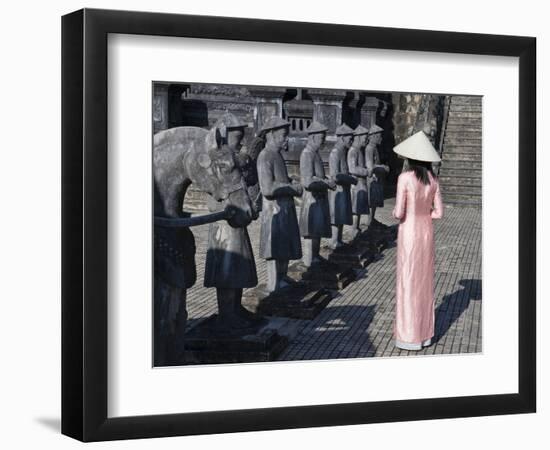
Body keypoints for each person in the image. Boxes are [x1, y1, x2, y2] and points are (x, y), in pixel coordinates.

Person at [203, 113, 259, 329]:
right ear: (225, 136)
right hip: (224, 225)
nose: (241, 141)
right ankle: (226, 313)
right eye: (237, 137)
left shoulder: (235, 159)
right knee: (227, 269)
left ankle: (236, 308)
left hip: (237, 221)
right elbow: (212, 193)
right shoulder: (216, 159)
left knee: (239, 267)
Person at [392, 131, 444, 351]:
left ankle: (408, 337)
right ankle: (424, 336)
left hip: (409, 233)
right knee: (423, 282)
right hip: (426, 232)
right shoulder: (433, 181)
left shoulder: (404, 178)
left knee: (407, 280)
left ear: (411, 157)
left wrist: (409, 215)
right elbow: (439, 213)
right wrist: (424, 215)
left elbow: (397, 212)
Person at [257, 116, 303, 292]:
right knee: (274, 247)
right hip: (273, 210)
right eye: (283, 135)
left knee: (284, 244)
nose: (286, 139)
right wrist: (291, 188)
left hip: (284, 207)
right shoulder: (265, 156)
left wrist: (290, 180)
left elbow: (280, 179)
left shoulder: (276, 155)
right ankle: (274, 282)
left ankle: (283, 276)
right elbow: (268, 188)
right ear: (270, 134)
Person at [299, 121, 336, 266]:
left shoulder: (315, 154)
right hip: (311, 199)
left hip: (319, 197)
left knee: (317, 229)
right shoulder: (307, 154)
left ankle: (315, 255)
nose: (323, 140)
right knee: (311, 230)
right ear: (313, 137)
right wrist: (326, 183)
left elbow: (318, 176)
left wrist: (327, 180)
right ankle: (309, 260)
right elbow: (308, 181)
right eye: (321, 137)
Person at [328, 124, 357, 249]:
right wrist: (350, 179)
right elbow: (335, 176)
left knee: (341, 216)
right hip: (337, 191)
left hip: (343, 189)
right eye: (349, 138)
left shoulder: (342, 152)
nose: (351, 141)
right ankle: (334, 241)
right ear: (342, 138)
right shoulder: (335, 152)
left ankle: (338, 240)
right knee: (336, 216)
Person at [347, 125, 370, 237]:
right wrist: (365, 171)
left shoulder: (359, 150)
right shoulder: (353, 151)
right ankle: (354, 228)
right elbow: (352, 168)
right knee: (356, 208)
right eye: (365, 139)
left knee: (359, 207)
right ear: (359, 137)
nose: (366, 141)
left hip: (361, 183)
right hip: (356, 184)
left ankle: (356, 227)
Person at [365, 124, 390, 227]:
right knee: (372, 201)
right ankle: (370, 221)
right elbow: (370, 165)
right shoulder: (370, 148)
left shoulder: (374, 148)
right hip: (373, 178)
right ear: (374, 136)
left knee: (374, 201)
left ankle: (372, 220)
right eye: (379, 136)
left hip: (376, 177)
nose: (381, 138)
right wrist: (383, 167)